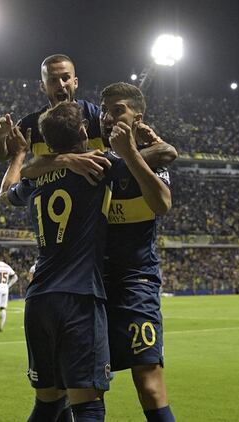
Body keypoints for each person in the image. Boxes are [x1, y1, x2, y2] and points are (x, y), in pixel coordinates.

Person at [0, 99, 167, 421]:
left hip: (38, 299)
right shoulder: (97, 165)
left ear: (46, 142)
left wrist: (19, 156)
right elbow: (164, 156)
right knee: (87, 404)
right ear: (82, 131)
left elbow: (6, 193)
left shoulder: (35, 178)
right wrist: (140, 142)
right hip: (79, 298)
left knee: (48, 404)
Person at [98, 83, 176, 422]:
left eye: (117, 110)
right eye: (104, 110)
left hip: (136, 281)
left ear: (137, 117)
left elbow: (161, 203)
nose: (107, 117)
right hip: (91, 283)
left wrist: (131, 153)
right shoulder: (91, 153)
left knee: (148, 383)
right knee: (85, 382)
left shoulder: (150, 153)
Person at [0, 54, 176, 185]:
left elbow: (158, 151)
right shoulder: (31, 124)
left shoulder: (97, 117)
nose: (61, 85)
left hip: (94, 214)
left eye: (65, 78)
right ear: (43, 86)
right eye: (53, 80)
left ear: (75, 82)